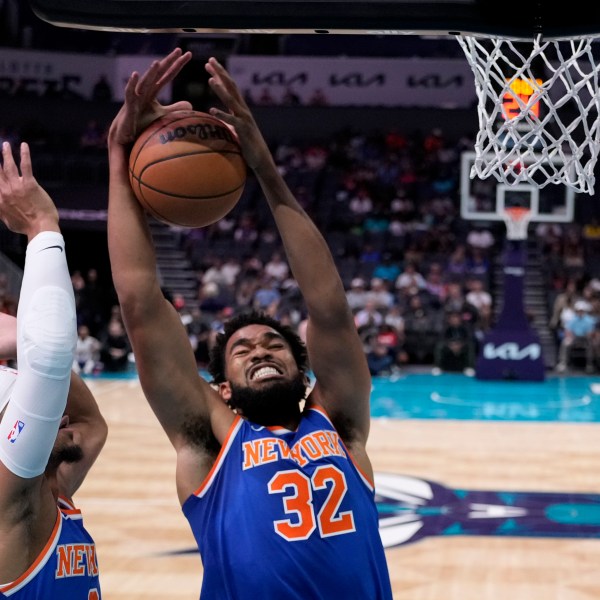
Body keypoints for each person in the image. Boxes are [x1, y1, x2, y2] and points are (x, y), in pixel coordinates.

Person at [106, 49, 393, 599]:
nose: (261, 350)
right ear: (221, 388)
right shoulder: (209, 443)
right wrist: (120, 157)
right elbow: (141, 303)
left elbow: (328, 307)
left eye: (274, 345)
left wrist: (264, 167)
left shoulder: (343, 427)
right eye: (242, 351)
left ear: (303, 371)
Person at [0, 141, 107, 597]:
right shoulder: (9, 502)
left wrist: (20, 338)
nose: (59, 416)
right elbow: (46, 360)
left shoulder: (51, 489)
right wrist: (42, 227)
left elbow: (90, 424)